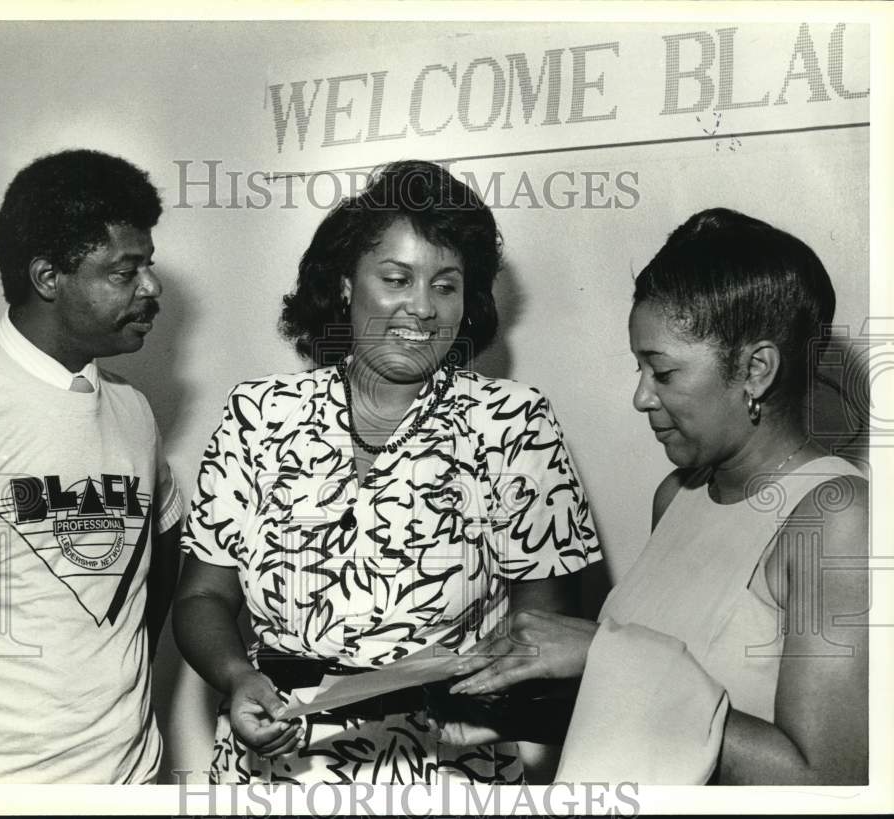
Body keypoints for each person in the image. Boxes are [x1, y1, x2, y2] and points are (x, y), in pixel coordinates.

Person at [174, 159, 602, 784]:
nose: (422, 308)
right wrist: (238, 676)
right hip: (273, 763)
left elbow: (541, 637)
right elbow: (203, 595)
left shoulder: (514, 423)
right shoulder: (259, 414)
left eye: (446, 285)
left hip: (448, 767)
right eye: (397, 278)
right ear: (346, 283)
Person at [450, 208, 868, 785]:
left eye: (663, 372)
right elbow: (650, 726)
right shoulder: (676, 496)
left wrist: (604, 656)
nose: (641, 397)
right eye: (638, 368)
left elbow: (826, 782)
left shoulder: (839, 516)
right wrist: (507, 702)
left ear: (757, 370)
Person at [0, 149, 183, 783]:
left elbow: (161, 550)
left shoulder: (133, 409)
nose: (152, 287)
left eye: (149, 265)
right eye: (125, 271)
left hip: (129, 776)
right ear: (47, 278)